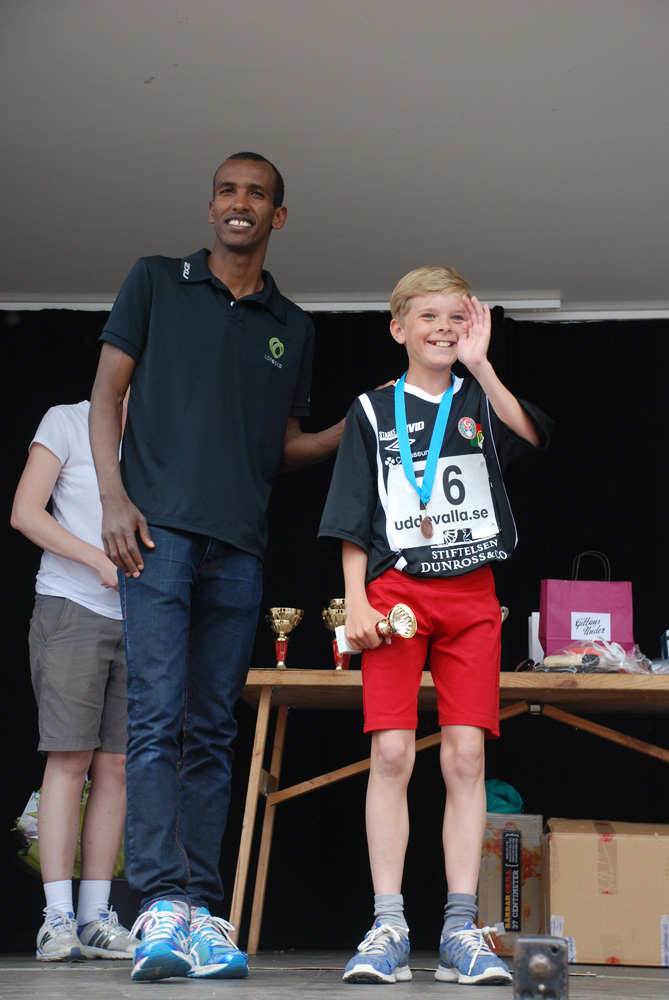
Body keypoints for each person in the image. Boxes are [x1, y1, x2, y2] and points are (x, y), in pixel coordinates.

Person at [88, 152, 344, 982]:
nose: (241, 203)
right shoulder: (155, 280)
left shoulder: (291, 325)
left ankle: (199, 909)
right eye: (228, 191)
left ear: (277, 216)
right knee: (156, 718)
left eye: (257, 194)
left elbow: (282, 447)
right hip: (156, 535)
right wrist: (114, 500)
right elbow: (105, 395)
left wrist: (354, 428)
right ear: (210, 209)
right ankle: (160, 902)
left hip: (239, 545)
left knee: (212, 730)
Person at [318, 266, 553, 986]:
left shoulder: (479, 397)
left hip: (471, 594)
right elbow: (352, 511)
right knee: (391, 754)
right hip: (395, 595)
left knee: (466, 759)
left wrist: (481, 364)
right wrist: (355, 601)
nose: (444, 329)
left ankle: (459, 927)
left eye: (457, 317)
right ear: (398, 328)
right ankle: (388, 924)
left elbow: (531, 437)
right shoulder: (372, 409)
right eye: (429, 317)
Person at [11, 398, 136, 962]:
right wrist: (97, 559)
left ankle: (95, 916)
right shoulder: (65, 420)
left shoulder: (164, 434)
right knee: (70, 757)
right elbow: (25, 512)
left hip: (139, 616)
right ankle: (57, 918)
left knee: (118, 765)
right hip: (71, 605)